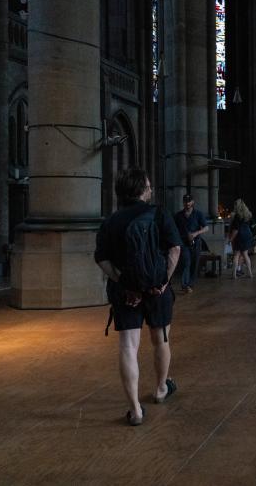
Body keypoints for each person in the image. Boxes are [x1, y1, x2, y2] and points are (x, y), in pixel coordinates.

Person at [94, 168, 182, 426]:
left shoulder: (111, 221)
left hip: (126, 292)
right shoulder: (158, 214)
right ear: (142, 189)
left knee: (128, 347)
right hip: (157, 291)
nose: (152, 189)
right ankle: (160, 389)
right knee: (160, 339)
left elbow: (102, 259)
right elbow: (175, 249)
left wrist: (124, 283)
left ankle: (135, 410)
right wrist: (162, 282)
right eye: (149, 185)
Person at [173, 193, 209, 293]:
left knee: (194, 264)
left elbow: (206, 227)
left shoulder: (198, 214)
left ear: (192, 202)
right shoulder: (178, 216)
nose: (187, 203)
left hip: (196, 243)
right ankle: (185, 285)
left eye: (189, 201)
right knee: (186, 262)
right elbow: (174, 229)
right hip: (184, 243)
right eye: (185, 201)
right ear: (183, 203)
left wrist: (196, 233)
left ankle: (190, 284)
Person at [227, 199, 254, 279]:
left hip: (240, 235)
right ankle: (250, 273)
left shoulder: (237, 216)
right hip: (248, 234)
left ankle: (234, 274)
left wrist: (231, 239)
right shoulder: (248, 215)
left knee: (236, 255)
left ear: (237, 206)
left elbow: (236, 230)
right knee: (246, 254)